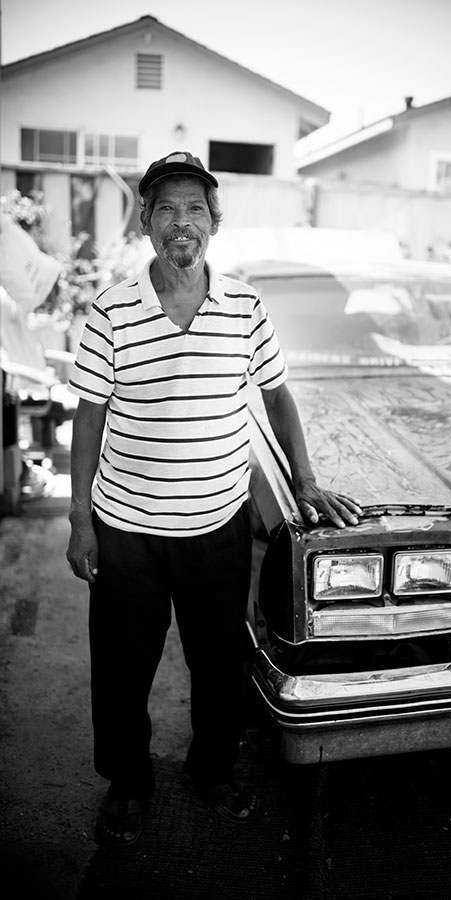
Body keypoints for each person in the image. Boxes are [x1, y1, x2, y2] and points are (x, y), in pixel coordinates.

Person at [66, 151, 362, 846]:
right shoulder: (111, 311)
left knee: (218, 665)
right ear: (145, 221)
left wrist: (306, 479)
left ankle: (211, 771)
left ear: (214, 223)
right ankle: (128, 783)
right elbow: (88, 416)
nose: (181, 222)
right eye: (166, 208)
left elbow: (276, 394)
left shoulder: (244, 307)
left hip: (216, 528)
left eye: (195, 209)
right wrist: (80, 519)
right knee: (121, 669)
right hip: (126, 531)